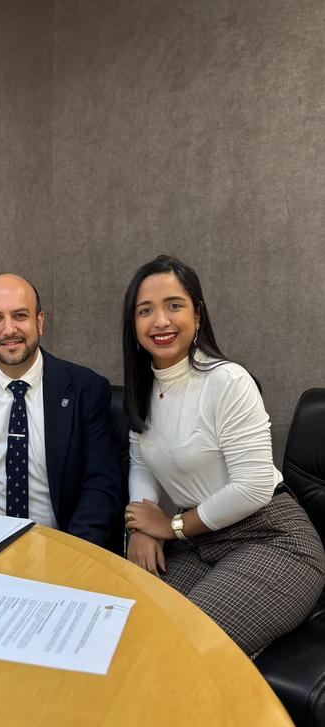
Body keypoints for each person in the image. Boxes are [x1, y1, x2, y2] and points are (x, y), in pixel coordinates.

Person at [122, 254, 325, 655]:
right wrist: (141, 525)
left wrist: (172, 527)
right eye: (146, 310)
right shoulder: (143, 389)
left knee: (179, 647)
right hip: (201, 544)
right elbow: (142, 461)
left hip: (272, 537)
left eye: (174, 305)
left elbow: (252, 489)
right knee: (129, 628)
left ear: (197, 314)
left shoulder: (227, 380)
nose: (160, 321)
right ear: (133, 325)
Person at [0, 273, 121, 550]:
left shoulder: (85, 389)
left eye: (20, 315)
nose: (9, 330)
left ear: (39, 322)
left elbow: (101, 485)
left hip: (61, 547)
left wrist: (75, 555)